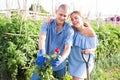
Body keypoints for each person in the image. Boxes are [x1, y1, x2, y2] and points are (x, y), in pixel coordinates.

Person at [31, 4, 74, 80]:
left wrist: (61, 58)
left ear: (67, 17)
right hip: (44, 60)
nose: (62, 17)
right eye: (60, 14)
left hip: (59, 65)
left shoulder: (69, 29)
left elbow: (67, 47)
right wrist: (41, 52)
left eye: (65, 16)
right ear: (56, 12)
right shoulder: (47, 23)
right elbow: (42, 37)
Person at [68, 11, 98, 80]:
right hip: (74, 59)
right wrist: (51, 19)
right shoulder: (71, 29)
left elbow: (94, 47)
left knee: (77, 79)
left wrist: (89, 50)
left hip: (85, 60)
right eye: (72, 19)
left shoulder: (90, 31)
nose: (74, 21)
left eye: (76, 18)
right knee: (74, 78)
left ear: (82, 18)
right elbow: (60, 23)